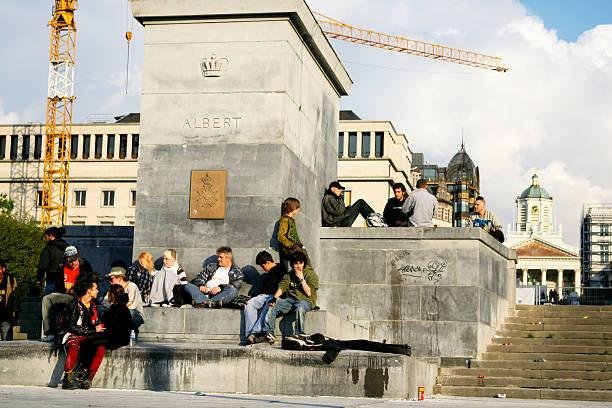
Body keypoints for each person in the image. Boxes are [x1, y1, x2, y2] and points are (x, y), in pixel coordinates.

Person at [262, 251, 319, 344]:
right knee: (272, 304)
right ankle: (269, 333)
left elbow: (309, 293)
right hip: (291, 301)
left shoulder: (311, 274)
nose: (298, 266)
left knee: (300, 307)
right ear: (292, 264)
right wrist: (274, 298)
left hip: (306, 301)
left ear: (303, 263)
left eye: (300, 263)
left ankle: (300, 334)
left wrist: (301, 278)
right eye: (295, 263)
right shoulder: (289, 275)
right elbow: (283, 286)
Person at [59, 278, 106, 390]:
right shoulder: (74, 305)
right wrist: (93, 330)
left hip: (89, 335)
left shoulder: (94, 306)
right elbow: (71, 327)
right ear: (89, 291)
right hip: (74, 334)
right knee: (73, 342)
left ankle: (87, 378)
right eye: (96, 289)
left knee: (101, 347)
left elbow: (97, 324)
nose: (98, 291)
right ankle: (68, 378)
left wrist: (98, 329)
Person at [41, 246, 95, 342]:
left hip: (81, 295)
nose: (73, 263)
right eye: (70, 261)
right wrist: (67, 290)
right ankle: (49, 332)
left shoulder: (84, 265)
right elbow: (58, 286)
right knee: (46, 299)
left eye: (74, 260)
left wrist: (76, 288)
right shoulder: (61, 268)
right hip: (66, 295)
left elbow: (90, 281)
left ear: (78, 257)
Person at [244, 251, 286, 344]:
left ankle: (256, 333)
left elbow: (283, 286)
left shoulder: (281, 269)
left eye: (263, 266)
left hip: (274, 296)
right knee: (249, 303)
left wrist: (275, 297)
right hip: (263, 296)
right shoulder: (267, 275)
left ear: (268, 262)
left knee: (268, 305)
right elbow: (264, 289)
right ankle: (250, 333)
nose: (263, 269)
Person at [106, 267, 144, 333]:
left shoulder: (132, 286)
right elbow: (105, 302)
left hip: (135, 314)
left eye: (111, 279)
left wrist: (117, 309)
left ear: (120, 279)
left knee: (129, 312)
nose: (110, 281)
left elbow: (132, 304)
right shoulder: (112, 288)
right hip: (118, 312)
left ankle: (133, 330)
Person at [37, 226, 68, 295]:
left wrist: (39, 280)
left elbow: (42, 266)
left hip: (52, 281)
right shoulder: (67, 247)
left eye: (46, 237)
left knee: (49, 303)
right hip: (66, 281)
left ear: (51, 236)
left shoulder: (48, 248)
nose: (46, 239)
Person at [277, 197, 305, 273]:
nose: (299, 209)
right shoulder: (285, 220)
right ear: (291, 208)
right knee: (302, 268)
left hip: (296, 248)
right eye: (297, 207)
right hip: (291, 250)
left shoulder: (290, 219)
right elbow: (281, 236)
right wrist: (292, 246)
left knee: (305, 266)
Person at [101, 284, 132, 350]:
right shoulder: (123, 307)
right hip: (122, 339)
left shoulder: (116, 308)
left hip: (117, 340)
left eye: (108, 293)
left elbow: (109, 324)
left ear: (112, 295)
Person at [0, 260, 17, 341]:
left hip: (5, 318)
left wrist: (14, 314)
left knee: (6, 344)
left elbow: (15, 298)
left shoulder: (10, 279)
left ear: (3, 269)